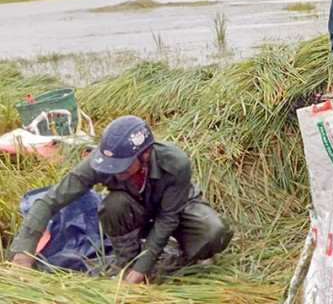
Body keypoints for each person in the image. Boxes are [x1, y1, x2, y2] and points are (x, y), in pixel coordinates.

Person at [8, 115, 233, 284]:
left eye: (121, 166)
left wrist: (143, 269)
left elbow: (168, 218)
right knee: (114, 205)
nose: (114, 172)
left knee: (213, 232)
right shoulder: (102, 161)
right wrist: (23, 252)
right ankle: (127, 262)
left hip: (177, 208)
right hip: (135, 208)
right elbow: (49, 201)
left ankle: (182, 257)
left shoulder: (175, 162)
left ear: (144, 155)